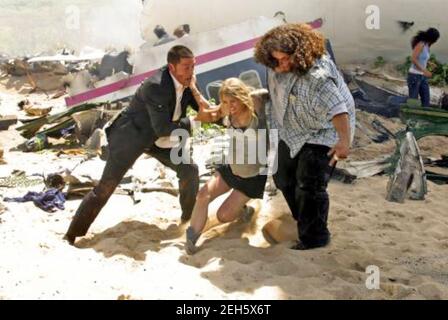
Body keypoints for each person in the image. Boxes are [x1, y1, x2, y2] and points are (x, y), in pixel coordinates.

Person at [64, 46, 219, 245]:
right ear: (172, 67)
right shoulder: (155, 86)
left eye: (193, 66)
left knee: (189, 170)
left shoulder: (189, 80)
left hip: (160, 138)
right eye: (186, 67)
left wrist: (222, 112)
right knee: (106, 187)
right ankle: (72, 234)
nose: (191, 71)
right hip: (131, 136)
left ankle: (187, 221)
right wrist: (195, 121)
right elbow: (164, 126)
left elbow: (202, 108)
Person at [254, 23, 356, 250]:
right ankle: (304, 220)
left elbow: (338, 110)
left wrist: (344, 142)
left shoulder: (317, 77)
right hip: (292, 128)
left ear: (299, 55)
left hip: (325, 130)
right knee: (282, 177)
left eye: (284, 60)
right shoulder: (274, 64)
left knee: (309, 184)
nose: (280, 65)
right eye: (275, 60)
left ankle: (315, 238)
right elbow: (276, 91)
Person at [185, 78, 268, 254]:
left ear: (242, 97)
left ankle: (245, 211)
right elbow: (207, 109)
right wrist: (192, 87)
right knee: (202, 195)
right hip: (230, 168)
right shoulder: (227, 110)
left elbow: (272, 96)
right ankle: (192, 237)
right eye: (225, 101)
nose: (229, 106)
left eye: (233, 101)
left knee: (224, 216)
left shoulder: (255, 109)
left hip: (251, 177)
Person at [408, 28, 440, 107]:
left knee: (426, 101)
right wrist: (424, 71)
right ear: (432, 38)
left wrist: (429, 63)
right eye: (436, 39)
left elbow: (421, 58)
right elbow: (413, 59)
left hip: (422, 76)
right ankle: (411, 116)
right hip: (414, 75)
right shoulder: (421, 44)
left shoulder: (427, 45)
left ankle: (424, 115)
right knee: (413, 101)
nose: (436, 41)